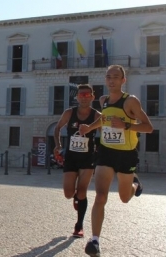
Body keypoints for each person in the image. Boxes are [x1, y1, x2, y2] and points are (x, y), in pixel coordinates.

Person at [78, 65, 153, 256]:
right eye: (108, 77)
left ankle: (135, 185)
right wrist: (90, 128)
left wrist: (127, 125)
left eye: (116, 77)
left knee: (124, 198)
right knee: (100, 196)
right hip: (106, 152)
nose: (111, 80)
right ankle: (95, 241)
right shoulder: (103, 100)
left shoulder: (131, 102)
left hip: (126, 154)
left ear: (123, 80)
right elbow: (104, 120)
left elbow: (148, 127)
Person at [53, 84, 101, 238]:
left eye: (87, 95)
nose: (84, 97)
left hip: (88, 158)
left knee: (82, 192)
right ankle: (76, 199)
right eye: (81, 95)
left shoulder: (96, 115)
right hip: (71, 157)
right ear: (77, 97)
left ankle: (79, 225)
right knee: (68, 193)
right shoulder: (69, 113)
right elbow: (57, 128)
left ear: (92, 97)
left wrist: (102, 151)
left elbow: (105, 133)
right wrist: (58, 145)